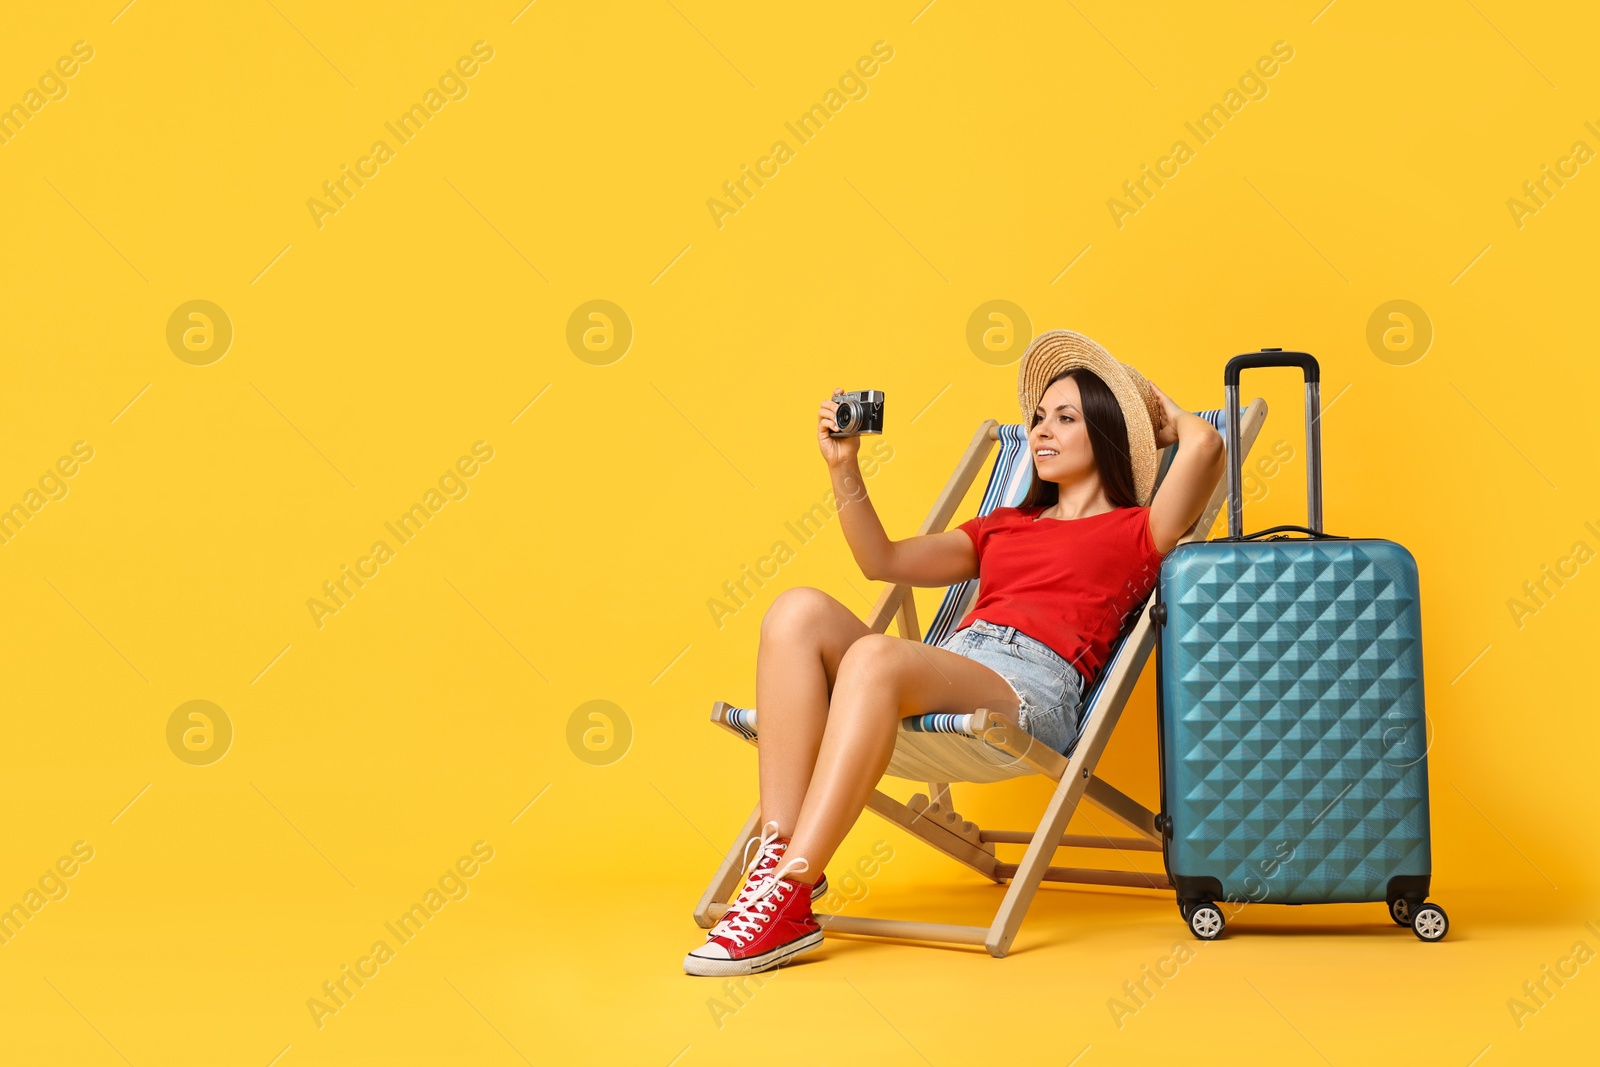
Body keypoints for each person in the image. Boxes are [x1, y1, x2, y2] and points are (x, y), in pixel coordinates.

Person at [683, 330, 1225, 977]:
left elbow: (1207, 444)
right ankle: (777, 859)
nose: (1040, 431)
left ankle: (792, 893)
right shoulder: (1002, 526)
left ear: (1109, 434)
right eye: (1037, 417)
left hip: (1033, 688)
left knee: (877, 659)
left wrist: (1154, 411)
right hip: (958, 663)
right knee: (795, 610)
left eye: (1066, 417)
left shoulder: (1139, 528)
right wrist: (843, 467)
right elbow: (880, 560)